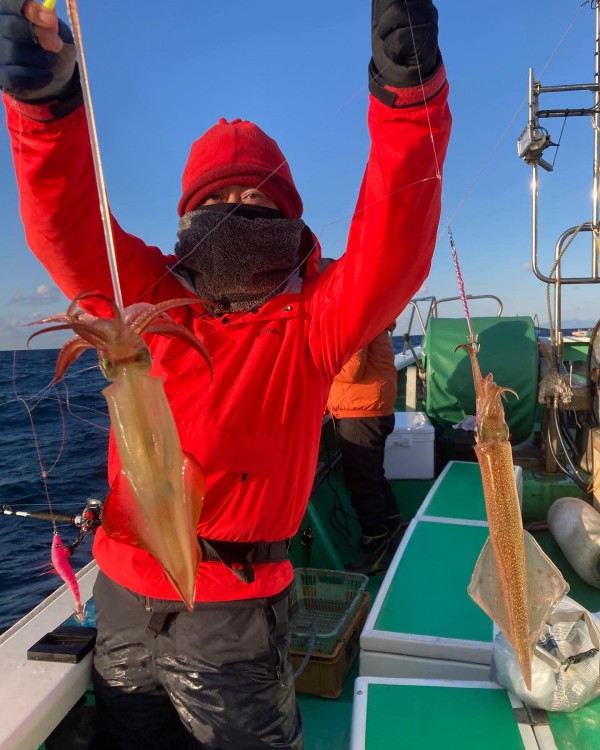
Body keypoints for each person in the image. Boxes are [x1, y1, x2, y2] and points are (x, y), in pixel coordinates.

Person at [0, 1, 451, 748]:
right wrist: (44, 105)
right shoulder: (148, 292)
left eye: (253, 200)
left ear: (289, 217)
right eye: (212, 202)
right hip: (121, 604)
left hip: (235, 620)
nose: (232, 214)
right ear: (185, 218)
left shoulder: (315, 316)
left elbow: (396, 239)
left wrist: (409, 91)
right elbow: (66, 225)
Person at [327, 322, 401, 575]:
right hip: (371, 408)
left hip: (361, 412)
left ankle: (376, 547)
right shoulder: (375, 319)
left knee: (362, 483)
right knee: (373, 476)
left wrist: (315, 364)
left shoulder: (358, 322)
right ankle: (392, 527)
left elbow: (350, 371)